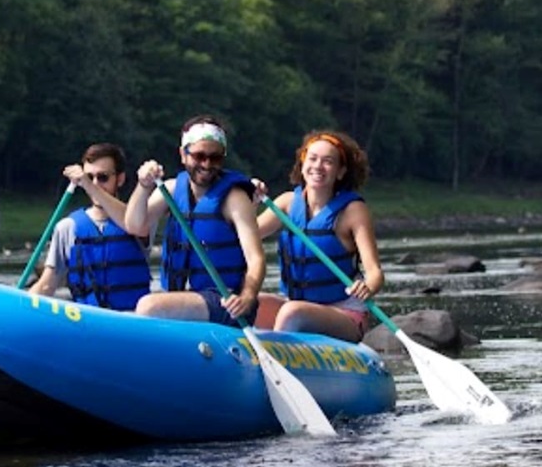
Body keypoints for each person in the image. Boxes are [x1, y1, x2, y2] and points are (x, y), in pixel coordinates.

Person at [123, 115, 264, 327]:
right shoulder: (169, 190)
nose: (207, 164)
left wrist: (247, 297)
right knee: (142, 308)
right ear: (183, 154)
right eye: (199, 156)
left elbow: (256, 259)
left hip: (227, 303)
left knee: (148, 306)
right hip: (186, 299)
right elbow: (135, 226)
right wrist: (143, 187)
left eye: (215, 157)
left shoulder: (235, 199)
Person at [253, 130, 383, 342]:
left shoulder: (352, 211)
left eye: (328, 161)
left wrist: (368, 286)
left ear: (340, 172)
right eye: (312, 158)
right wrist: (250, 203)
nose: (318, 166)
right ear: (303, 164)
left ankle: (276, 364)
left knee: (291, 312)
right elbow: (245, 236)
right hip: (297, 305)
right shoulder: (286, 204)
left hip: (344, 313)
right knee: (248, 303)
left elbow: (375, 272)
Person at [30, 143, 151, 310]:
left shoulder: (140, 221)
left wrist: (88, 185)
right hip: (88, 324)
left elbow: (132, 223)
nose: (95, 184)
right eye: (89, 177)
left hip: (131, 321)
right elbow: (46, 285)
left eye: (103, 177)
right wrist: (18, 308)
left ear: (120, 179)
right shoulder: (67, 227)